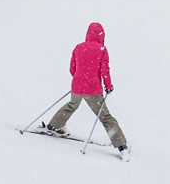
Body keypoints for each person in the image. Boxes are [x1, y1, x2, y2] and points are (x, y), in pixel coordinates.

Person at [46, 22, 128, 157]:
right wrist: (108, 86)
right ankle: (121, 145)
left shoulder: (79, 47)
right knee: (105, 117)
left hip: (77, 87)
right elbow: (104, 71)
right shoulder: (102, 49)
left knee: (71, 105)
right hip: (93, 90)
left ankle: (54, 126)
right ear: (102, 36)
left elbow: (72, 68)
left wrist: (80, 81)